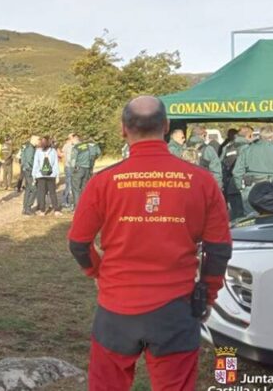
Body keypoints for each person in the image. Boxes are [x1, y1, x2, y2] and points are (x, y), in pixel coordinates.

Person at [68, 96, 232, 391]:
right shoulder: (202, 181)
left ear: (123, 130)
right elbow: (219, 249)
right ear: (167, 127)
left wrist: (97, 272)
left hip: (115, 309)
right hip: (176, 309)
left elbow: (79, 244)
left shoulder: (103, 181)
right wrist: (208, 294)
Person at [233, 125, 273, 215]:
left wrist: (240, 188)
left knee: (249, 220)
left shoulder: (247, 150)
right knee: (270, 218)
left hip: (250, 189)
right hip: (271, 189)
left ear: (260, 136)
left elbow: (237, 172)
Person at [220, 126, 253, 220]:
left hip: (230, 185)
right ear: (249, 135)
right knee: (247, 219)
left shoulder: (227, 147)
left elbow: (221, 165)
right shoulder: (249, 148)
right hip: (245, 187)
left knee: (234, 218)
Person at [32, 136, 62, 216]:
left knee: (41, 193)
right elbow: (55, 164)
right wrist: (57, 175)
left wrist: (34, 175)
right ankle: (56, 210)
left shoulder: (38, 151)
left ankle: (42, 210)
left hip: (40, 175)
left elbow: (36, 164)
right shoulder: (53, 151)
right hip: (51, 175)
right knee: (52, 193)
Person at [70, 134, 100, 207]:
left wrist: (72, 170)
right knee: (84, 188)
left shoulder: (76, 147)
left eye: (72, 140)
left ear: (76, 140)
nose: (71, 142)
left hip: (78, 169)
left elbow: (73, 160)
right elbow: (97, 154)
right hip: (87, 169)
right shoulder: (88, 147)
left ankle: (77, 207)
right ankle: (85, 205)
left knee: (76, 188)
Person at [21, 135, 40, 215]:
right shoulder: (30, 149)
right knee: (34, 189)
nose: (39, 142)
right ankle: (28, 208)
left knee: (28, 190)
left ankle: (25, 208)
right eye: (38, 141)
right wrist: (35, 170)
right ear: (34, 140)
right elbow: (29, 161)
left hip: (27, 171)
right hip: (29, 171)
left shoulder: (29, 147)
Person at [61, 134, 76, 211]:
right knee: (69, 184)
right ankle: (65, 201)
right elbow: (62, 155)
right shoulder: (67, 145)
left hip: (73, 167)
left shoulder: (75, 145)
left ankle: (72, 202)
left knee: (73, 185)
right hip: (69, 167)